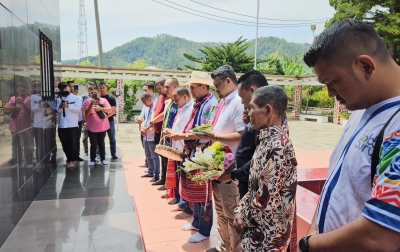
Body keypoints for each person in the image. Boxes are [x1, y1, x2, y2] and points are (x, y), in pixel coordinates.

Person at [297, 19, 400, 252]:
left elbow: (382, 236)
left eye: (333, 82)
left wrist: (309, 244)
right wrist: (313, 232)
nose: (330, 93)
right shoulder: (362, 107)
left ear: (366, 66)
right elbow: (337, 181)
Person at [233, 85, 297, 251]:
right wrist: (239, 209)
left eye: (252, 108)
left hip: (268, 236)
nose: (247, 113)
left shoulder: (279, 146)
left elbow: (266, 200)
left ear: (268, 111)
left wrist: (241, 217)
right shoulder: (266, 140)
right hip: (256, 229)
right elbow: (254, 187)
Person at [164, 71, 218, 243]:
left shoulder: (211, 104)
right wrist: (180, 134)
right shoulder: (198, 102)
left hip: (203, 154)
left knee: (203, 194)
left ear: (203, 87)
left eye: (193, 88)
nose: (191, 91)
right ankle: (196, 221)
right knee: (193, 192)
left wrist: (182, 135)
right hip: (192, 152)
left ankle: (204, 229)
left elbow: (206, 131)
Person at [200, 65, 245, 252]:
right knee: (221, 212)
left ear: (228, 80)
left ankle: (234, 249)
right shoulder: (224, 101)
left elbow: (241, 134)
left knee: (232, 213)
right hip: (219, 166)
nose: (216, 88)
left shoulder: (238, 102)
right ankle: (223, 246)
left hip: (230, 167)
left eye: (218, 84)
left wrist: (215, 137)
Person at [217, 70, 269, 199]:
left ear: (253, 90)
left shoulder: (271, 120)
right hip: (246, 182)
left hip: (256, 188)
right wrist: (249, 123)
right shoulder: (257, 118)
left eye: (242, 96)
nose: (241, 102)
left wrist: (234, 175)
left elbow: (261, 157)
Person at [163, 87, 194, 205]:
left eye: (176, 100)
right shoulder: (182, 108)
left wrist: (174, 133)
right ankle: (180, 199)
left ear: (185, 97)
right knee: (178, 175)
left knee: (183, 176)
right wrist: (172, 131)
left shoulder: (191, 108)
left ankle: (184, 202)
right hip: (176, 145)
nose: (175, 103)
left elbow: (188, 129)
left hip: (183, 147)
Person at [152, 78, 179, 189]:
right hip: (164, 137)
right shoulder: (169, 101)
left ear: (175, 87)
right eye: (165, 87)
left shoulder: (181, 103)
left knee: (171, 164)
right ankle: (165, 181)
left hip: (174, 140)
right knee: (164, 160)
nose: (164, 89)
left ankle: (170, 187)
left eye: (167, 87)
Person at [142, 77, 167, 181]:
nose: (159, 90)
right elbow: (154, 112)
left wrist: (151, 123)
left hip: (160, 131)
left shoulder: (168, 98)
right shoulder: (161, 97)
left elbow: (164, 113)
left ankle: (159, 176)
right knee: (152, 155)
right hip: (153, 131)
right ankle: (154, 173)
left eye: (160, 88)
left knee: (157, 156)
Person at [4, 82, 32, 168]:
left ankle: (28, 161)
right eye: (20, 91)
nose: (22, 93)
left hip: (26, 126)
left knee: (27, 144)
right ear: (17, 90)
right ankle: (16, 160)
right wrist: (13, 107)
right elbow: (5, 108)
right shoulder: (13, 98)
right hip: (14, 126)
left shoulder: (29, 99)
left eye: (23, 91)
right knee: (15, 144)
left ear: (27, 91)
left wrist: (22, 104)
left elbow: (30, 113)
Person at [82, 86, 112, 166]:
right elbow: (86, 113)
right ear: (89, 93)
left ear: (98, 93)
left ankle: (103, 159)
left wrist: (101, 109)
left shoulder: (104, 100)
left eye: (95, 93)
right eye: (92, 93)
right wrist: (91, 104)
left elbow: (109, 110)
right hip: (92, 127)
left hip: (102, 126)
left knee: (101, 143)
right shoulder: (86, 101)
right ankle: (92, 159)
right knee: (93, 143)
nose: (93, 94)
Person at [56, 82, 82, 169]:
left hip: (72, 125)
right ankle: (68, 159)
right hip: (62, 125)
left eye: (65, 87)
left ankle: (72, 161)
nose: (64, 89)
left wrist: (68, 106)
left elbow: (78, 109)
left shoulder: (77, 98)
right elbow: (58, 111)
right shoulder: (59, 99)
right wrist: (60, 106)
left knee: (73, 144)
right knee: (64, 144)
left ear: (69, 88)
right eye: (62, 88)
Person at [136, 83, 158, 167]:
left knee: (153, 152)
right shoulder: (145, 101)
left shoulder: (156, 103)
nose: (143, 92)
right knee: (146, 149)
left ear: (151, 90)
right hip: (144, 129)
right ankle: (148, 165)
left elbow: (154, 119)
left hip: (151, 131)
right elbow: (143, 116)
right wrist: (139, 120)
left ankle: (154, 171)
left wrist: (146, 127)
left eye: (145, 90)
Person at [140, 94, 160, 182]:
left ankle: (156, 174)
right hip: (145, 135)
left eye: (145, 101)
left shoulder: (155, 107)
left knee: (154, 156)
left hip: (151, 134)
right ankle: (150, 171)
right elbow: (143, 119)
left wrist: (146, 129)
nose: (144, 103)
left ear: (150, 99)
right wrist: (141, 128)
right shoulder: (146, 108)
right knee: (148, 155)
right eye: (143, 102)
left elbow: (153, 121)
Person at [98, 82, 118, 159]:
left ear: (106, 88)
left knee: (112, 138)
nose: (102, 89)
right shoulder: (97, 98)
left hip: (110, 121)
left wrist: (105, 117)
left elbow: (113, 110)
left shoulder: (111, 98)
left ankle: (113, 153)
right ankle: (101, 154)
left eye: (103, 87)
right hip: (100, 122)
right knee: (100, 139)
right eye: (100, 88)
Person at [67, 82, 84, 162]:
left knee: (77, 138)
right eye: (70, 86)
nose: (72, 88)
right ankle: (70, 157)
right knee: (70, 140)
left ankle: (77, 155)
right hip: (69, 123)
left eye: (73, 86)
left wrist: (84, 120)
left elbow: (81, 109)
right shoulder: (65, 98)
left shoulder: (78, 98)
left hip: (79, 121)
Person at [82, 82, 94, 156]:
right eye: (89, 88)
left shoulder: (96, 97)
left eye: (92, 88)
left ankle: (96, 151)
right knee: (84, 137)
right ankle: (86, 150)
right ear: (86, 88)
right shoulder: (83, 97)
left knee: (94, 137)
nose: (90, 90)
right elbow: (82, 109)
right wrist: (84, 120)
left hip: (94, 120)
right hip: (86, 119)